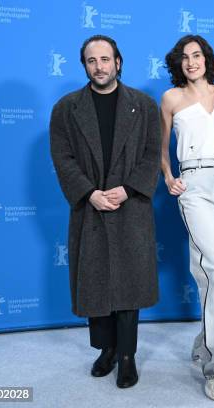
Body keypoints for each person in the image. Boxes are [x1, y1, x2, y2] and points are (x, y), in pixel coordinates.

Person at [50, 35, 161, 388]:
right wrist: (88, 193)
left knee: (129, 286)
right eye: (91, 60)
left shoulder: (143, 106)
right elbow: (63, 159)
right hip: (91, 208)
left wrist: (127, 190)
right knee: (95, 284)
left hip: (131, 207)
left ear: (119, 62)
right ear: (84, 65)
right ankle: (106, 349)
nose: (99, 66)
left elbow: (151, 155)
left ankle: (127, 356)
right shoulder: (66, 108)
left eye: (105, 59)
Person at [160, 35, 214, 401]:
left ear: (207, 58)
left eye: (196, 55)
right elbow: (160, 148)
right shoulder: (171, 99)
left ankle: (206, 341)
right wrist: (169, 176)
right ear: (177, 64)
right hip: (192, 183)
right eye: (184, 57)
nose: (191, 61)